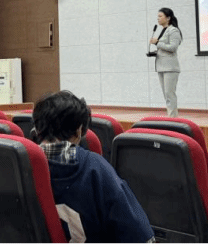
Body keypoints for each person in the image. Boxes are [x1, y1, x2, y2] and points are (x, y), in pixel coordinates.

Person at [33, 91, 154, 244]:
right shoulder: (95, 167)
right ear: (79, 131)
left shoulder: (22, 165)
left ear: (37, 129)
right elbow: (140, 235)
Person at [149, 7, 183, 118]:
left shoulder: (173, 30)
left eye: (160, 16)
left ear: (168, 18)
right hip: (161, 67)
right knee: (166, 95)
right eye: (157, 16)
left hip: (170, 67)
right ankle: (171, 116)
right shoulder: (163, 30)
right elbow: (164, 48)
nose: (158, 18)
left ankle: (173, 118)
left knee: (169, 94)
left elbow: (173, 47)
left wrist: (157, 43)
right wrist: (155, 52)